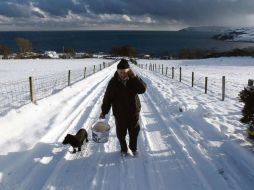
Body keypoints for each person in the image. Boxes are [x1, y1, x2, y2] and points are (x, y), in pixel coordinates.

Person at [100, 58, 146, 156]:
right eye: (120, 72)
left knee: (134, 132)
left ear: (128, 71)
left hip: (133, 111)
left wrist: (134, 77)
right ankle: (124, 149)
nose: (122, 74)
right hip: (119, 113)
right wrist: (104, 111)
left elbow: (142, 89)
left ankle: (133, 149)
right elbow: (107, 98)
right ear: (117, 71)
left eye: (124, 72)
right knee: (121, 134)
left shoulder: (133, 80)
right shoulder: (113, 82)